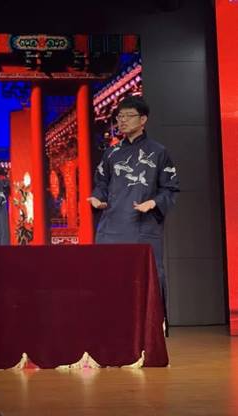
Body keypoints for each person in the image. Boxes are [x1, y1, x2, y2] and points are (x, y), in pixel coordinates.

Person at [87, 95, 179, 324]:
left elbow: (170, 188)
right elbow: (101, 184)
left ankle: (150, 328)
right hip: (111, 227)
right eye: (120, 116)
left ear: (143, 119)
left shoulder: (158, 152)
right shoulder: (111, 153)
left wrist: (153, 203)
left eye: (129, 116)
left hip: (142, 226)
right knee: (109, 276)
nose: (123, 121)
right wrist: (97, 198)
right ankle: (110, 326)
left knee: (146, 278)